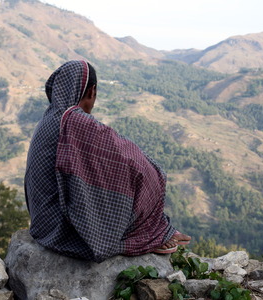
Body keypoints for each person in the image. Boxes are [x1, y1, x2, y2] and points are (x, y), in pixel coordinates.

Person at [25, 60, 190, 263]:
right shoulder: (75, 121)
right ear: (92, 91)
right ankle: (151, 232)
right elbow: (133, 160)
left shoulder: (50, 117)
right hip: (62, 232)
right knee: (144, 174)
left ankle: (153, 229)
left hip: (43, 223)